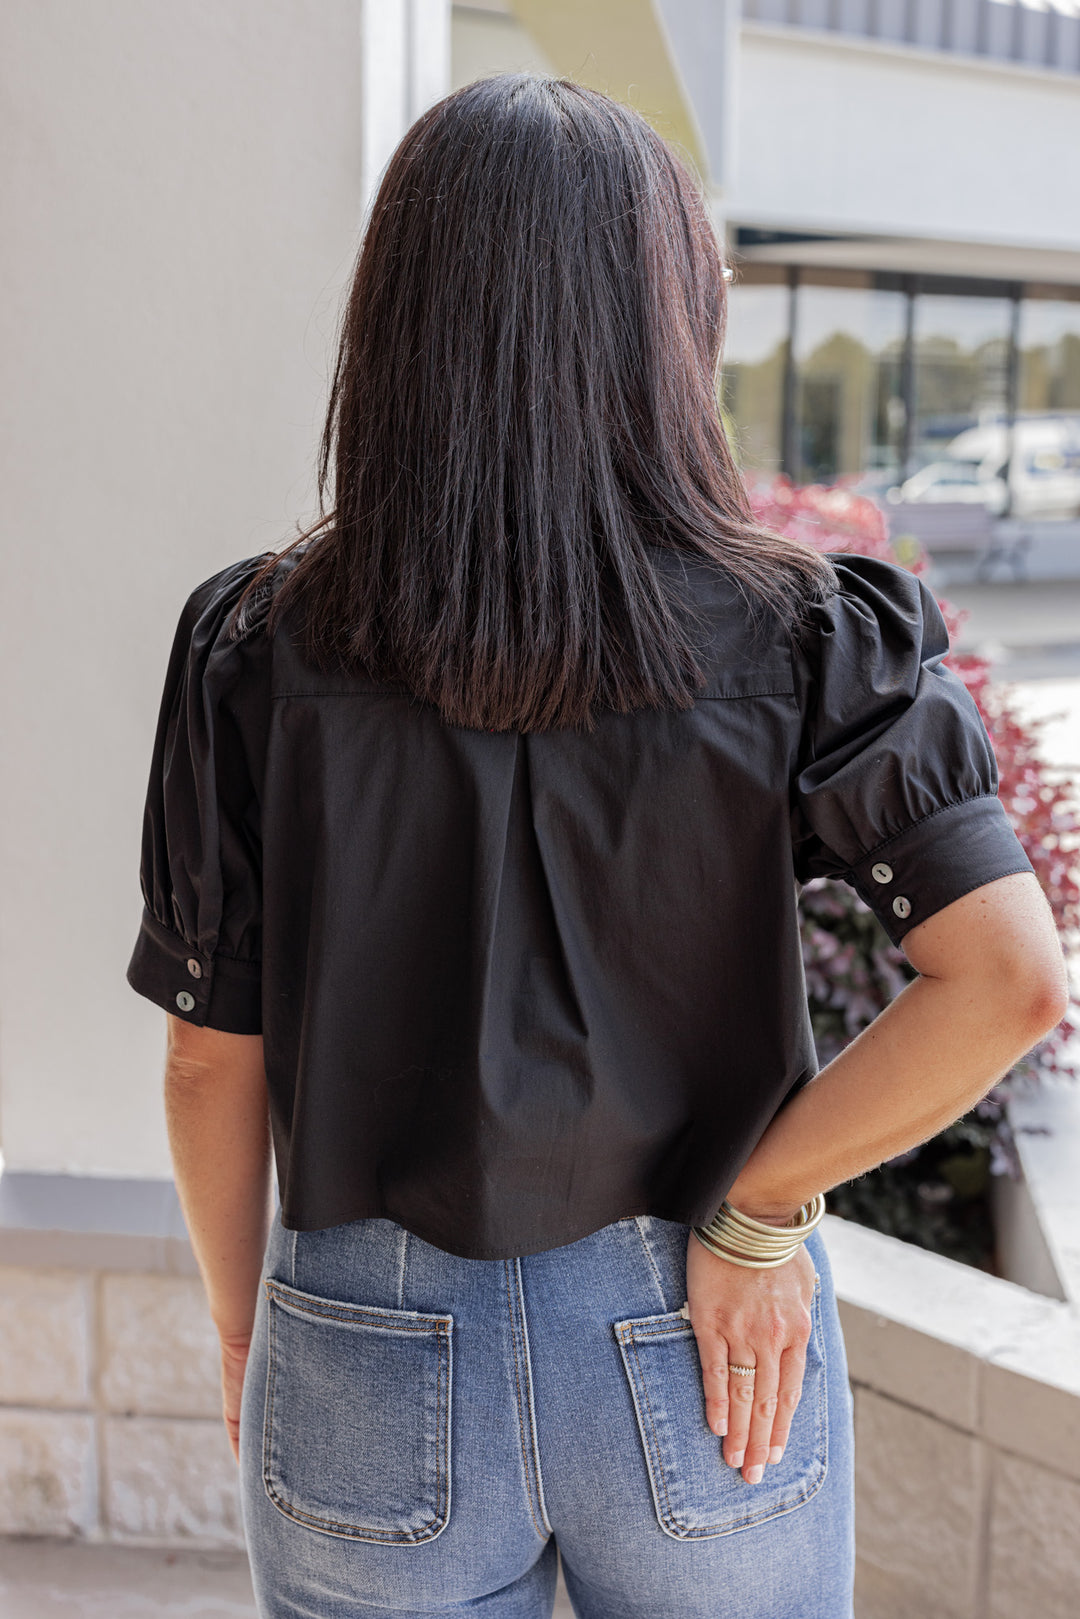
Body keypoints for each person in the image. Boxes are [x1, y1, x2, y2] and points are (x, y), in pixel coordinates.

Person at [125, 74, 1067, 1619]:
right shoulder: (805, 634)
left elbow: (204, 1062)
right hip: (700, 1324)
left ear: (399, 320)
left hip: (363, 1319)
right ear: (668, 314)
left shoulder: (256, 645)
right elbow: (1010, 983)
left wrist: (256, 1326)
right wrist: (761, 1214)